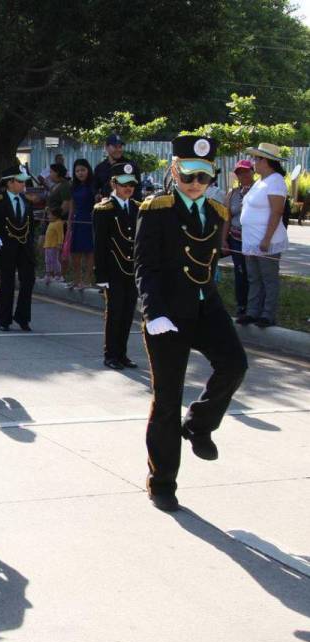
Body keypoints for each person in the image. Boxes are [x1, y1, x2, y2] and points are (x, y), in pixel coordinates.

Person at [134, 134, 248, 513]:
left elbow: (209, 265)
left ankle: (198, 424)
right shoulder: (156, 210)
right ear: (174, 171)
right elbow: (145, 266)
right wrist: (153, 312)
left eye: (203, 177)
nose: (195, 185)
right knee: (167, 400)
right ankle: (162, 481)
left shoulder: (217, 213)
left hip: (204, 304)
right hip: (168, 312)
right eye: (188, 177)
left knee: (234, 364)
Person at [93, 162, 140, 370]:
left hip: (132, 269)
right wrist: (101, 274)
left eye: (131, 184)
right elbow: (100, 244)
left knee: (128, 312)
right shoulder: (104, 209)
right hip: (113, 270)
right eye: (123, 184)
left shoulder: (138, 208)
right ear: (114, 184)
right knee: (114, 313)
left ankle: (122, 354)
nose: (128, 188)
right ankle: (110, 354)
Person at [238, 143, 289, 328]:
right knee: (254, 278)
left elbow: (277, 212)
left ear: (266, 161)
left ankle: (267, 314)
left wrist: (267, 238)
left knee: (268, 278)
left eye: (256, 159)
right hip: (252, 241)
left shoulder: (276, 180)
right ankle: (253, 312)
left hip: (266, 240)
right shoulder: (260, 181)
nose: (253, 162)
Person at [0, 164, 37, 332]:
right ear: (9, 183)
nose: (23, 185)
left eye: (24, 182)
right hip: (7, 248)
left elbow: (30, 226)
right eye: (19, 181)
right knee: (7, 283)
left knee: (28, 282)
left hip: (25, 248)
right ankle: (4, 319)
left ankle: (23, 317)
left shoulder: (26, 201)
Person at [222, 160, 254, 318]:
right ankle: (242, 305)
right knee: (240, 273)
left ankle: (255, 307)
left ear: (253, 172)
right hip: (236, 238)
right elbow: (227, 218)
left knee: (253, 274)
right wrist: (223, 239)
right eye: (240, 172)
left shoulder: (259, 190)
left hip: (253, 239)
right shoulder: (232, 193)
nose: (244, 175)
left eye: (247, 171)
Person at [66, 159, 97, 289]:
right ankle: (76, 279)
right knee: (75, 252)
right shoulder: (74, 186)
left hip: (89, 221)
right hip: (77, 221)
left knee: (89, 252)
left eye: (83, 170)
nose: (80, 173)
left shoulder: (93, 185)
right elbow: (72, 206)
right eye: (77, 171)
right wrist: (69, 223)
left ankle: (87, 280)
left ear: (88, 170)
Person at [94, 134, 142, 199]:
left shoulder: (131, 166)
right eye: (115, 147)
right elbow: (94, 189)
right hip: (107, 207)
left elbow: (138, 190)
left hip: (127, 206)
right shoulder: (100, 168)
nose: (118, 150)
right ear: (106, 147)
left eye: (120, 147)